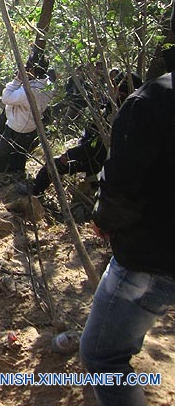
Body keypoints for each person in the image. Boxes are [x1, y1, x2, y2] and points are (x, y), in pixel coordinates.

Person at [79, 68, 174, 406]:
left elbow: (120, 187)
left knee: (103, 357)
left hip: (152, 256)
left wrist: (104, 220)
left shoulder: (153, 100)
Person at [24, 71, 141, 196]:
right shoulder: (112, 106)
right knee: (55, 164)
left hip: (101, 162)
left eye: (116, 87)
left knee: (55, 165)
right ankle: (36, 191)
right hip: (96, 158)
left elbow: (97, 146)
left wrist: (70, 154)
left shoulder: (123, 114)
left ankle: (34, 193)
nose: (113, 89)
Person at [0, 51, 55, 174]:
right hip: (32, 126)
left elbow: (6, 98)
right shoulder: (48, 86)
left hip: (17, 127)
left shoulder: (29, 91)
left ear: (32, 70)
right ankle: (16, 173)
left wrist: (17, 80)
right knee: (20, 153)